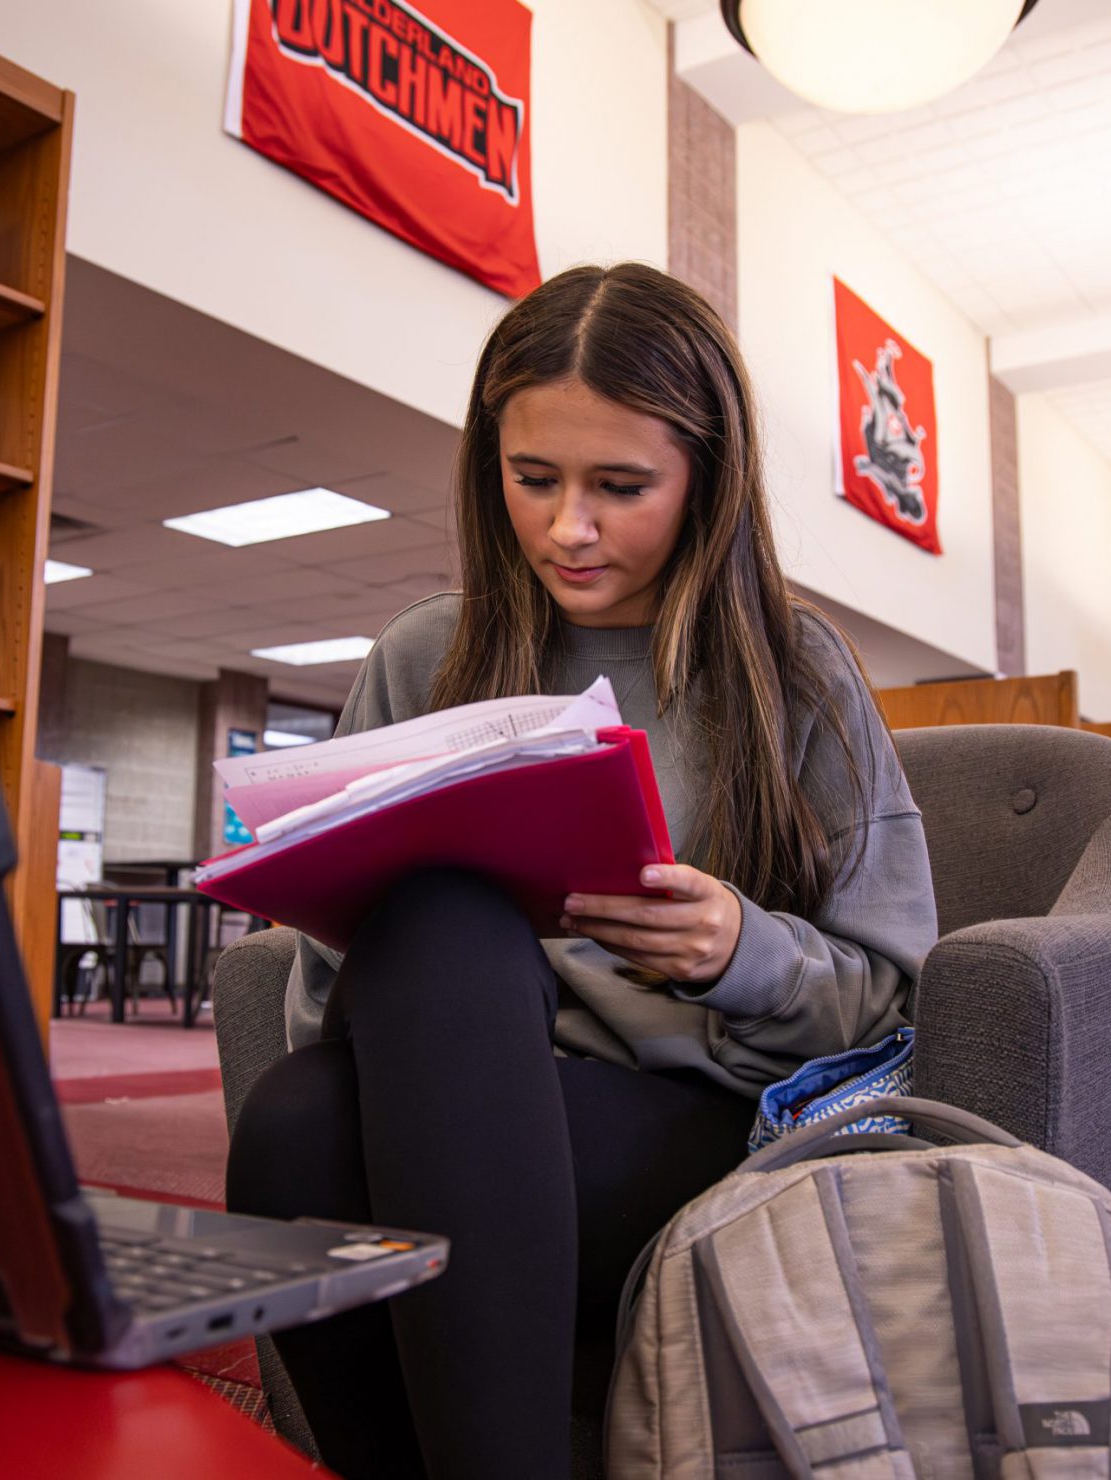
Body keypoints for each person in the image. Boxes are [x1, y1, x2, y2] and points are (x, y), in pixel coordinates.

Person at [226, 262, 938, 1479]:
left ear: (705, 480)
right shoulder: (426, 653)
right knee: (303, 1110)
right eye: (532, 478)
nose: (568, 527)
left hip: (705, 1123)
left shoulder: (792, 670)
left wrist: (738, 951)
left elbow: (894, 1002)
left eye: (621, 486)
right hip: (430, 1094)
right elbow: (317, 997)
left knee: (367, 1044)